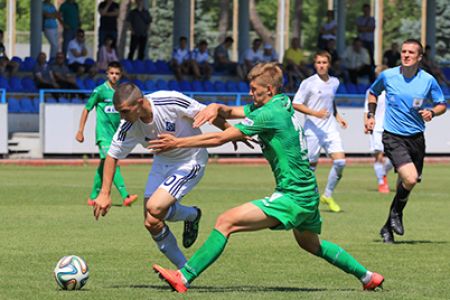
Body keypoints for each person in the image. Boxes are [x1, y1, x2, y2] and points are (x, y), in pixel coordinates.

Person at [147, 62, 384, 293]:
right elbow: (233, 112)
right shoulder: (282, 102)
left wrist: (177, 142)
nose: (249, 94)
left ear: (269, 90)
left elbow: (221, 138)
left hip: (293, 195)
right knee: (311, 245)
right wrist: (216, 106)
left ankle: (184, 276)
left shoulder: (269, 113)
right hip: (307, 191)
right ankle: (368, 276)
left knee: (225, 221)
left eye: (254, 90)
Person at [92, 82, 238, 269]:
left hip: (190, 160)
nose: (122, 117)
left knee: (155, 206)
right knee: (151, 221)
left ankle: (190, 227)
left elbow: (207, 114)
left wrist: (231, 131)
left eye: (125, 111)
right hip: (162, 163)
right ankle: (184, 268)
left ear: (139, 102)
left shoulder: (170, 101)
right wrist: (105, 193)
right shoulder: (127, 125)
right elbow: (112, 155)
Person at [365, 39, 446, 244]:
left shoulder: (427, 80)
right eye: (403, 52)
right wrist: (370, 115)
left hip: (417, 138)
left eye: (411, 52)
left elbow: (441, 104)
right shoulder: (388, 75)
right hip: (392, 136)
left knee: (408, 182)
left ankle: (387, 227)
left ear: (419, 57)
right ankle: (397, 215)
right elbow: (373, 92)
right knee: (409, 179)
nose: (406, 55)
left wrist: (432, 112)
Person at [76, 61, 138, 207]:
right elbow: (87, 109)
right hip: (103, 135)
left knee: (104, 165)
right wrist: (80, 130)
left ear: (121, 75)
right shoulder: (100, 91)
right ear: (107, 74)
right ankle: (125, 196)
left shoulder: (121, 93)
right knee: (113, 163)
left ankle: (92, 198)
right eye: (112, 73)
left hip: (116, 135)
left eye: (117, 74)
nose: (114, 76)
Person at [292, 51, 347, 213]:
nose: (321, 65)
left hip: (330, 128)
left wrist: (337, 116)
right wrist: (315, 113)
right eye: (318, 63)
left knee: (340, 162)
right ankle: (308, 197)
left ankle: (328, 195)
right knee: (310, 167)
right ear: (314, 64)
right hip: (313, 130)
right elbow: (296, 104)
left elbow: (331, 101)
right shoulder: (308, 83)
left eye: (324, 62)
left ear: (329, 64)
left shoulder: (335, 82)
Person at [363, 65, 393, 194]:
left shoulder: (393, 90)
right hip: (376, 127)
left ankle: (382, 173)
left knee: (393, 158)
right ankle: (382, 182)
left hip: (391, 127)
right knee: (378, 155)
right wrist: (366, 123)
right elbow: (366, 109)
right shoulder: (372, 91)